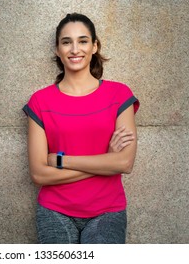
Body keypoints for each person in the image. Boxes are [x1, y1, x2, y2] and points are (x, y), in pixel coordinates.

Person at [22, 13, 140, 244]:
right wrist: (106, 161)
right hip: (54, 211)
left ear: (95, 46)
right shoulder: (40, 101)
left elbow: (124, 163)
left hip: (108, 211)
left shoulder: (119, 95)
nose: (75, 49)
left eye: (83, 41)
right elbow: (38, 174)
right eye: (66, 42)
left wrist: (60, 160)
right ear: (58, 49)